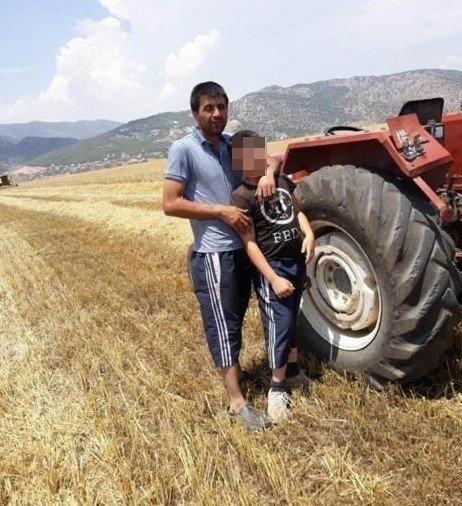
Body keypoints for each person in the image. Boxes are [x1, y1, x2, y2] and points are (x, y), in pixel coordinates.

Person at [163, 82, 280, 431]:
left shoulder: (234, 145)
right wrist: (221, 212)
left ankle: (238, 373)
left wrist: (270, 173)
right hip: (214, 254)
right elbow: (170, 203)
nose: (216, 114)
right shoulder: (183, 149)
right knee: (221, 325)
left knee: (239, 318)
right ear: (195, 113)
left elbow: (273, 157)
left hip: (246, 249)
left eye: (221, 107)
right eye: (208, 108)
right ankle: (236, 402)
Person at [230, 130, 315, 422]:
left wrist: (310, 233)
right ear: (237, 162)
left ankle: (291, 372)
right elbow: (250, 244)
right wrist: (273, 278)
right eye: (245, 155)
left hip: (296, 262)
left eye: (258, 151)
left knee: (291, 319)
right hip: (273, 268)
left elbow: (297, 210)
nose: (253, 159)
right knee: (279, 324)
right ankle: (276, 389)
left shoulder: (280, 180)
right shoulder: (241, 196)